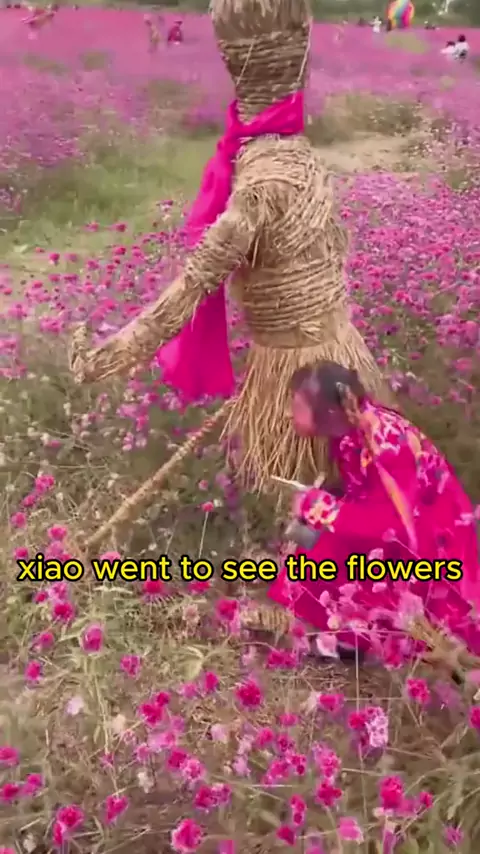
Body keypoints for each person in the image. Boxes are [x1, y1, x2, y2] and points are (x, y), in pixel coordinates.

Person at [69, 0, 390, 499]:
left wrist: (111, 355)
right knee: (363, 485)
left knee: (315, 503)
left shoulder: (260, 183)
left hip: (300, 381)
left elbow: (193, 286)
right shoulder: (301, 157)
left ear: (233, 65)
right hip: (338, 357)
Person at [268, 361, 480, 661]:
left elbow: (393, 526)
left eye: (298, 405)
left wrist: (321, 508)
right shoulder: (350, 429)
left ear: (328, 412)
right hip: (391, 524)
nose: (290, 413)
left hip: (430, 541)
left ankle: (358, 636)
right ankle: (349, 631)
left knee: (327, 550)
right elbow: (364, 494)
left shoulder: (387, 445)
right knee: (314, 547)